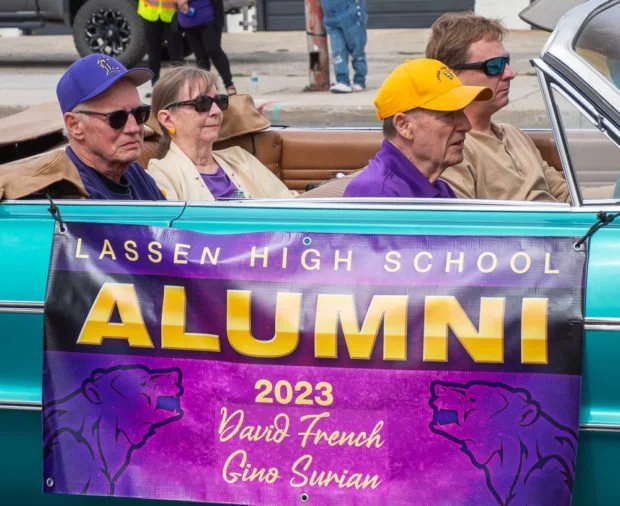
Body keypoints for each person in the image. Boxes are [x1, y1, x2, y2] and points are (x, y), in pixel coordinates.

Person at [426, 12, 570, 202]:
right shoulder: (454, 148)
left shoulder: (514, 134)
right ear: (452, 75)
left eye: (506, 62)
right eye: (494, 66)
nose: (509, 74)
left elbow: (566, 196)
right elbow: (465, 225)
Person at [343, 58, 492, 198]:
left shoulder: (438, 188)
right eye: (448, 115)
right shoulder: (377, 193)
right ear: (404, 126)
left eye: (462, 112)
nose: (466, 125)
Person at [147, 66, 296, 200]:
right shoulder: (162, 174)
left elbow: (290, 204)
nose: (217, 111)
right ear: (167, 119)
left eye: (219, 101)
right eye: (202, 103)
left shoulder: (240, 157)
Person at [56, 54, 165, 200]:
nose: (133, 128)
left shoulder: (134, 172)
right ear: (75, 125)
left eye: (140, 114)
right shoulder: (72, 194)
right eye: (117, 118)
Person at [174, 0, 237, 96]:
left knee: (213, 50)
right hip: (189, 20)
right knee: (200, 55)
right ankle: (205, 88)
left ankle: (229, 84)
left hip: (209, 17)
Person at [320, 0, 368, 93]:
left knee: (357, 47)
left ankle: (359, 79)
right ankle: (342, 80)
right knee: (338, 50)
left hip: (350, 11)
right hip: (330, 14)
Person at [137, 0, 184, 88]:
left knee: (175, 52)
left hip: (171, 14)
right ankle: (155, 85)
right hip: (149, 13)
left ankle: (180, 85)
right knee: (153, 52)